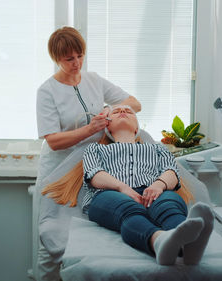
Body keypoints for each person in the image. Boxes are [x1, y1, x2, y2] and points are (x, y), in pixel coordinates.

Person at [43, 105, 213, 266]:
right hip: (108, 195)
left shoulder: (157, 149)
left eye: (129, 112)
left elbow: (171, 172)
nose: (123, 110)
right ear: (108, 127)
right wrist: (122, 188)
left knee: (169, 203)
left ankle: (189, 246)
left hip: (153, 192)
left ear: (137, 127)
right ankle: (159, 241)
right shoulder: (95, 149)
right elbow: (94, 174)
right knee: (128, 210)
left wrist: (159, 185)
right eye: (116, 111)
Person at [34, 26, 141, 281]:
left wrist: (112, 110)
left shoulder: (94, 80)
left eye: (80, 55)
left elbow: (135, 103)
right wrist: (89, 128)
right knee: (51, 239)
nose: (76, 63)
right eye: (69, 59)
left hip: (91, 169)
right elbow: (53, 141)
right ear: (56, 59)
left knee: (88, 236)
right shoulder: (47, 91)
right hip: (58, 173)